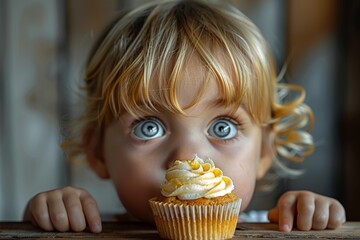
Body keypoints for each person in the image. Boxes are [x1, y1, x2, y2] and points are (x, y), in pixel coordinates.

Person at [23, 0, 346, 233]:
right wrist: (47, 216)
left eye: (223, 126)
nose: (188, 159)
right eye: (149, 127)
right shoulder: (90, 226)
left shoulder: (277, 225)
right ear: (97, 151)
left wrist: (312, 217)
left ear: (264, 150)